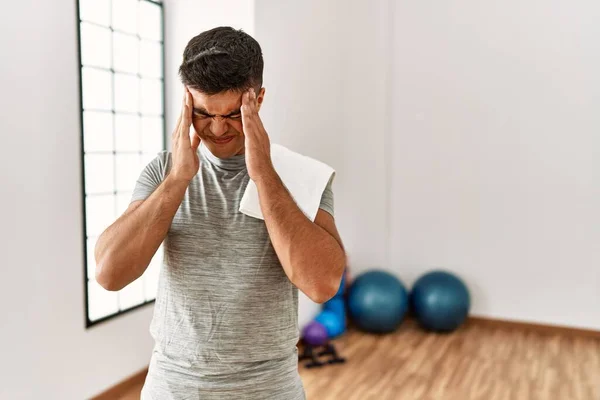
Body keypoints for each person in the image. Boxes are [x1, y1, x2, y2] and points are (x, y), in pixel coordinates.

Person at [94, 26, 346, 399]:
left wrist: (263, 175)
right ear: (186, 103)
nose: (216, 129)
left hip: (268, 388)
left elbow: (322, 284)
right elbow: (109, 274)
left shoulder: (301, 175)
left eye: (231, 115)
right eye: (202, 114)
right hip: (173, 386)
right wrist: (179, 179)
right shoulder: (164, 172)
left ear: (258, 99)